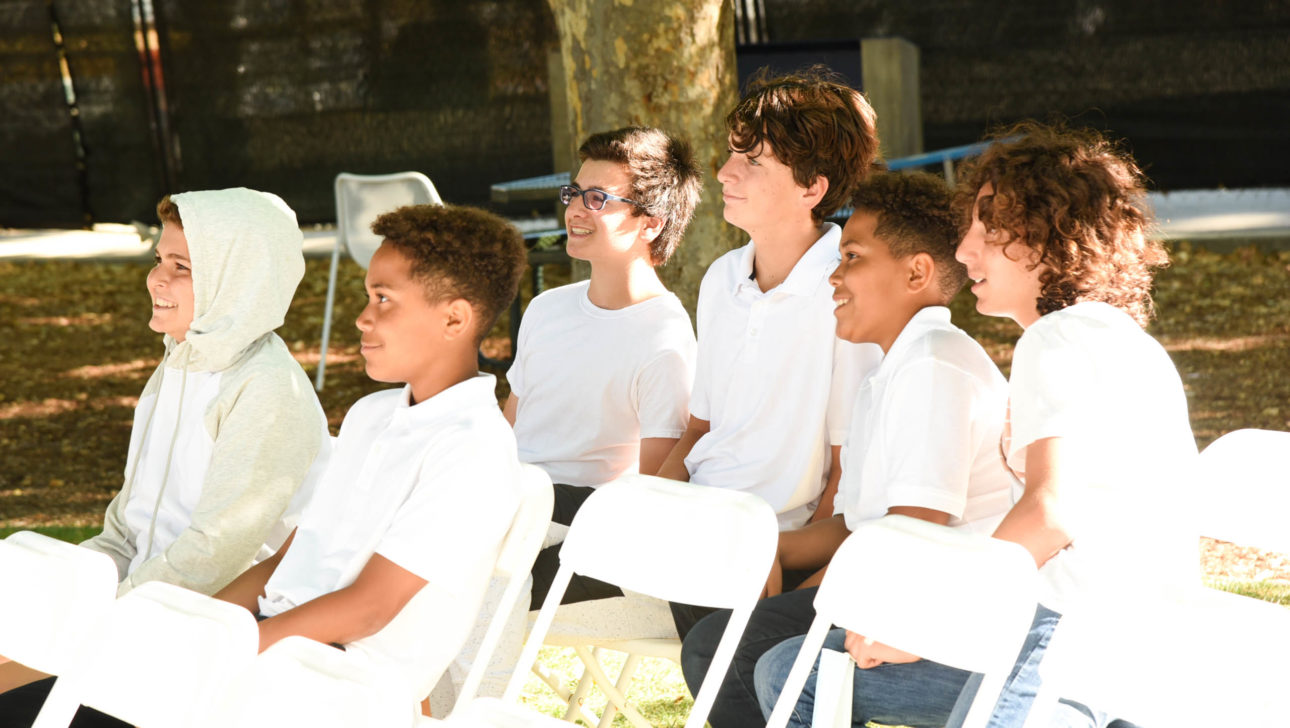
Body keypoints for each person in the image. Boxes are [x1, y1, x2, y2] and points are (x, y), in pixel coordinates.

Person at [755, 122, 1198, 728]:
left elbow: (1052, 514)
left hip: (1075, 648)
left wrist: (925, 621)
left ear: (1044, 237)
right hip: (1129, 645)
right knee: (793, 666)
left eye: (986, 231)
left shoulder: (1057, 340)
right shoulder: (1120, 339)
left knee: (796, 674)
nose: (965, 252)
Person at [681, 171, 1014, 727]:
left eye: (852, 257)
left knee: (723, 648)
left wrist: (830, 595)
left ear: (917, 272)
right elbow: (861, 523)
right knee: (721, 617)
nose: (834, 276)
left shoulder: (932, 363)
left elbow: (919, 523)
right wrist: (779, 550)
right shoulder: (892, 368)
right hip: (898, 578)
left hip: (941, 604)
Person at [0, 187, 329, 725]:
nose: (157, 278)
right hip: (145, 616)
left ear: (237, 276)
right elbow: (127, 530)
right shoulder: (179, 365)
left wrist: (95, 622)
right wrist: (67, 594)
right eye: (159, 259)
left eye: (183, 267)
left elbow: (213, 555)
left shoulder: (267, 390)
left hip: (209, 635)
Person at [213, 204, 529, 709]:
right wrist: (200, 626)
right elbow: (290, 557)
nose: (363, 317)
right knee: (79, 683)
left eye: (384, 299)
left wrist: (226, 649)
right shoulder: (370, 415)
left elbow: (370, 608)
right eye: (367, 296)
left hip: (339, 684)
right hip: (273, 650)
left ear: (454, 318)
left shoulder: (474, 448)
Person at [656, 66, 884, 637]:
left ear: (813, 188)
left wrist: (805, 582)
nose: (724, 173)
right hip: (696, 522)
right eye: (732, 154)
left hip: (771, 542)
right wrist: (648, 504)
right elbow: (700, 428)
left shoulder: (847, 289)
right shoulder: (720, 277)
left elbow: (844, 470)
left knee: (726, 662)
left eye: (752, 161)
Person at [508, 126, 703, 608]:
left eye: (597, 198)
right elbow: (506, 428)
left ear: (651, 223)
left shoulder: (665, 340)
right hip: (506, 511)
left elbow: (654, 491)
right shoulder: (546, 309)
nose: (574, 209)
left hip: (581, 535)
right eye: (574, 192)